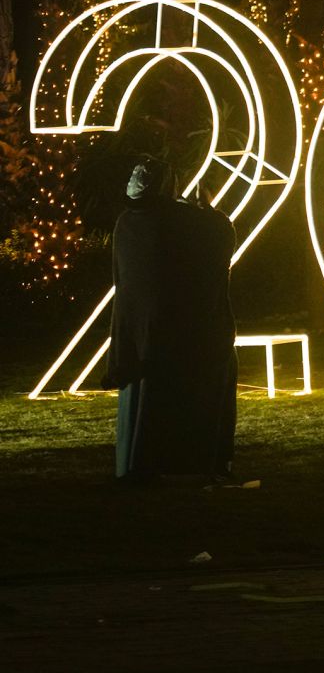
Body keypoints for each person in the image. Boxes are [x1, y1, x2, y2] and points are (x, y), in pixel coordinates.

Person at [101, 159, 238, 482]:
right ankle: (188, 462)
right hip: (182, 336)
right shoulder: (180, 221)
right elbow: (218, 243)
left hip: (139, 334)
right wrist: (210, 212)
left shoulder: (128, 222)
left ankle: (136, 463)